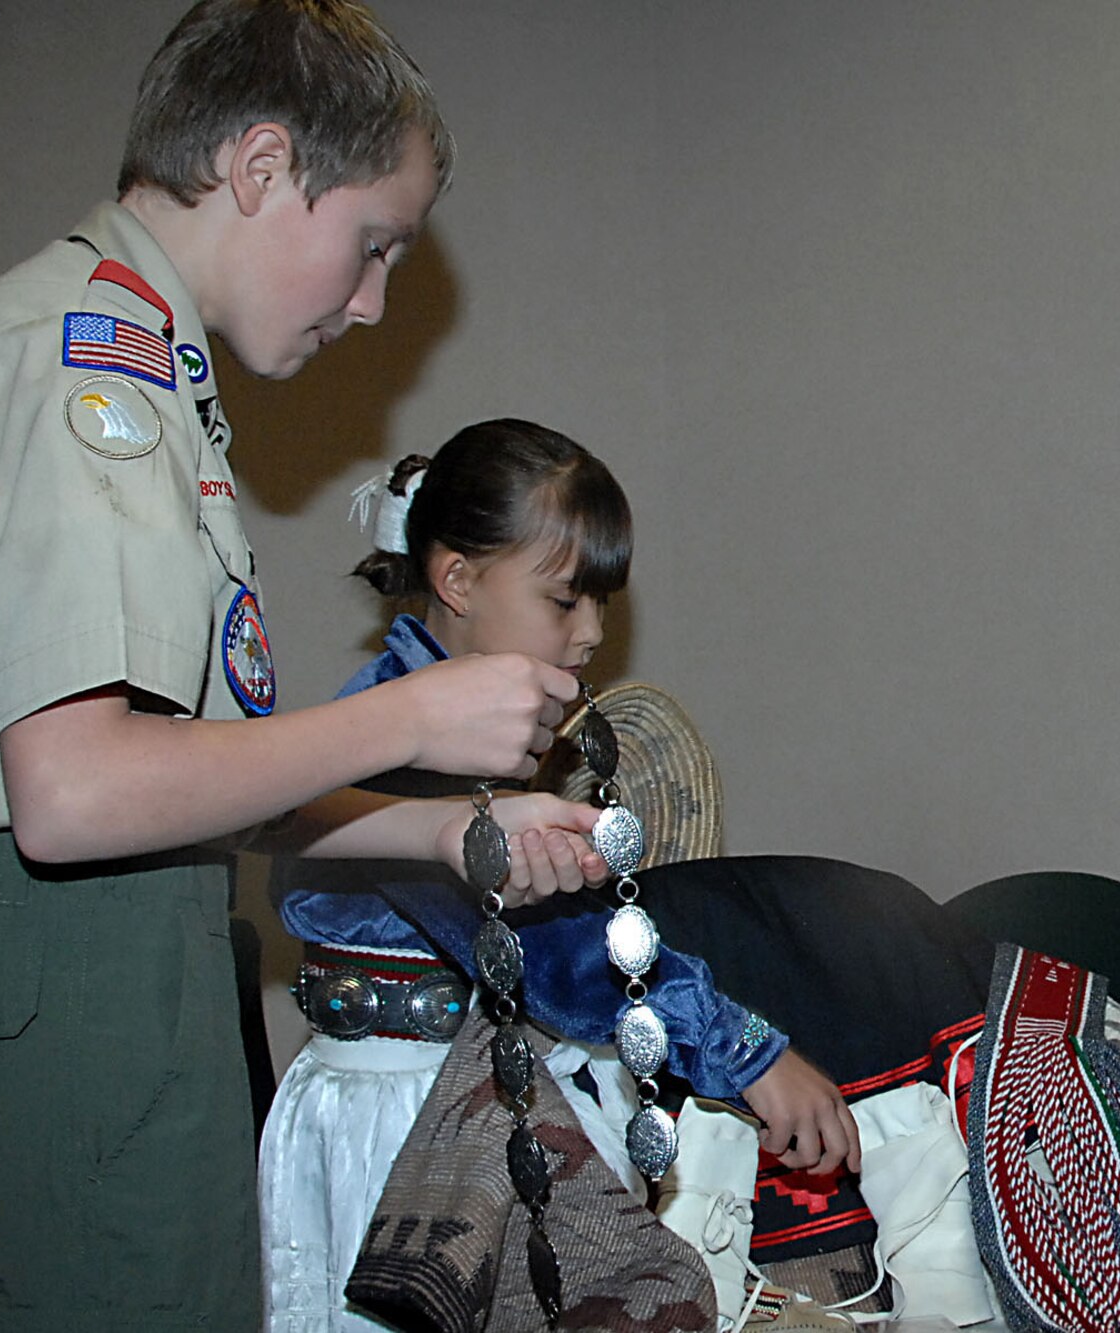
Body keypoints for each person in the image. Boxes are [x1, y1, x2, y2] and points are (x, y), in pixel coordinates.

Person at [0, 4, 609, 1327]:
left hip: (118, 979)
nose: (370, 305)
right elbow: (78, 792)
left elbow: (177, 778)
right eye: (371, 247)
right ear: (259, 167)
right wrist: (416, 707)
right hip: (49, 1004)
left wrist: (447, 831)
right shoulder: (83, 367)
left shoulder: (150, 375)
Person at [264, 420, 860, 1331]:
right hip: (401, 1135)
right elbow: (552, 954)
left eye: (602, 604)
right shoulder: (400, 740)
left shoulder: (440, 726)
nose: (591, 633)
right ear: (457, 578)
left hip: (443, 1095)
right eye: (563, 601)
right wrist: (751, 1056)